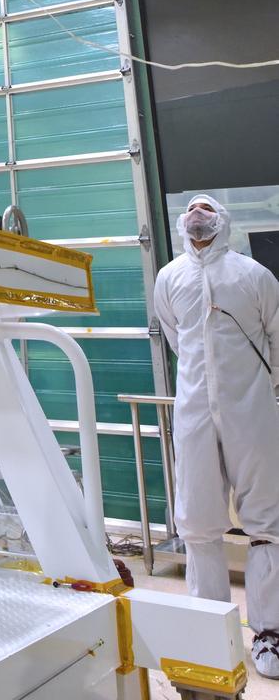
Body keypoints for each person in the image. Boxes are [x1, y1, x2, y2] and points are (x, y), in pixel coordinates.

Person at [154, 194, 279, 679]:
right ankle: (208, 628)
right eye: (191, 209)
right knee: (198, 521)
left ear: (223, 221)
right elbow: (175, 335)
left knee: (267, 520)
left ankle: (269, 632)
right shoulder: (170, 277)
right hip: (193, 415)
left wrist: (256, 389)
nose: (197, 214)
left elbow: (276, 335)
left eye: (207, 208)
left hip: (252, 412)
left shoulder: (253, 275)